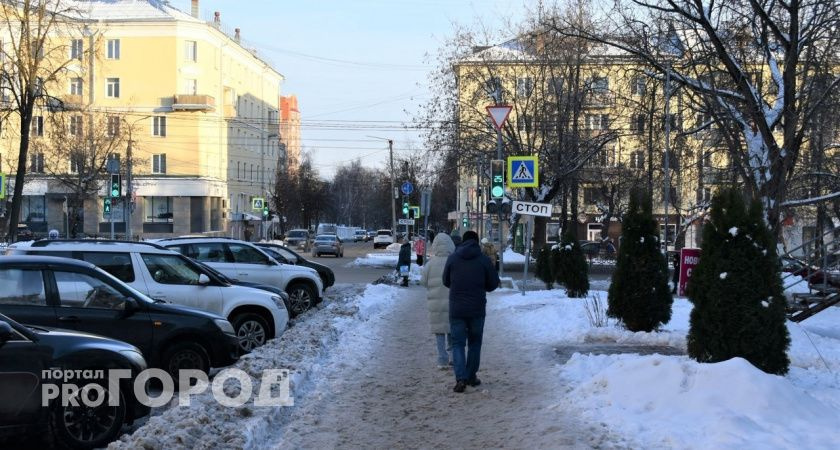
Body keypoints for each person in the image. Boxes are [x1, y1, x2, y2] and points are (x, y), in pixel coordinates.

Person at [443, 230, 500, 393]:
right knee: (475, 343)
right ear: (477, 242)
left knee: (458, 344)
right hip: (477, 309)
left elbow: (445, 281)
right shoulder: (483, 260)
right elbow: (493, 283)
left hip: (457, 309)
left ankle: (460, 378)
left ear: (462, 241)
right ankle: (471, 376)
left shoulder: (453, 258)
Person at [421, 233, 455, 369]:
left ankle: (442, 359)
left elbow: (423, 282)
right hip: (452, 302)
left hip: (435, 304)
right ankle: (453, 356)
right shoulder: (453, 261)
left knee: (439, 332)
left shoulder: (430, 264)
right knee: (452, 330)